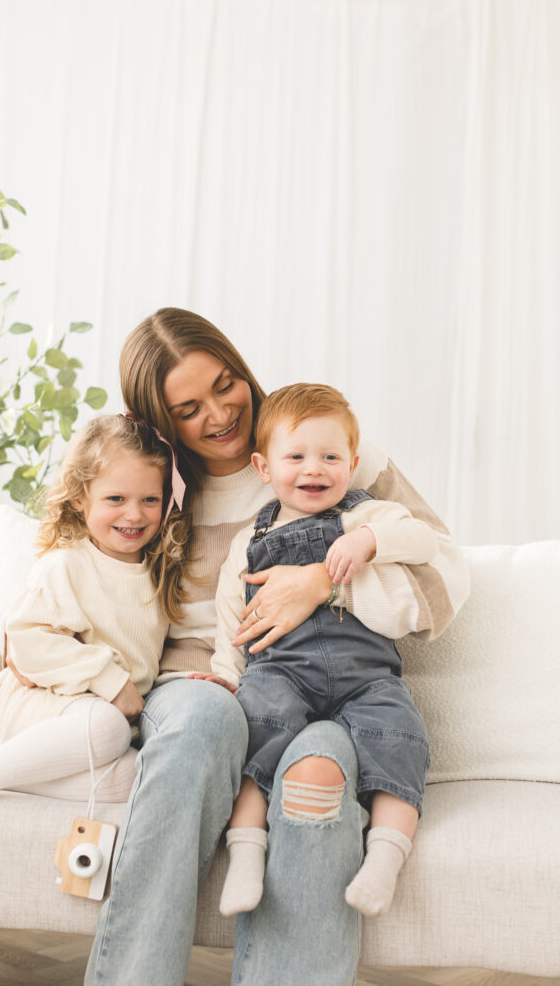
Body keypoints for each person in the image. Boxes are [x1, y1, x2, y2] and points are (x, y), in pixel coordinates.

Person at [83, 308, 470, 986]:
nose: (219, 414)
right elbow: (77, 574)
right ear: (160, 421)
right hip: (207, 678)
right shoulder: (152, 482)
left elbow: (440, 566)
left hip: (338, 672)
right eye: (188, 408)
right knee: (202, 724)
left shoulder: (320, 447)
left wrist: (323, 582)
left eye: (226, 384)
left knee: (317, 766)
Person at [0, 414, 185, 846]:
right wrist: (110, 681)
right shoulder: (68, 564)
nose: (134, 513)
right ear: (78, 499)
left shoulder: (156, 571)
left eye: (150, 499)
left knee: (137, 776)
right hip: (37, 708)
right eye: (115, 498)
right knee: (108, 728)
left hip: (89, 727)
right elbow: (25, 642)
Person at [207, 383, 435, 920]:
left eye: (331, 456)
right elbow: (230, 621)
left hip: (367, 676)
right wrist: (225, 674)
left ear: (352, 464)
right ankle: (245, 852)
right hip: (281, 671)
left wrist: (370, 542)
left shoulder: (365, 516)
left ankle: (384, 857)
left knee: (401, 735)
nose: (315, 469)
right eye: (297, 456)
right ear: (264, 467)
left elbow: (423, 540)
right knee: (255, 731)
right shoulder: (250, 539)